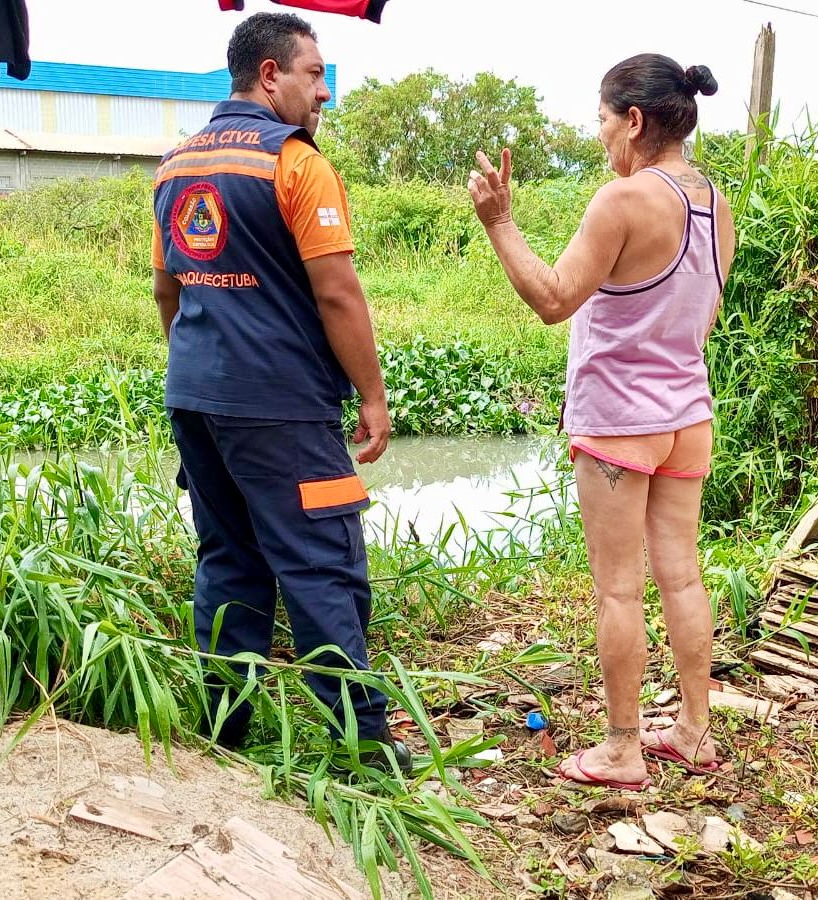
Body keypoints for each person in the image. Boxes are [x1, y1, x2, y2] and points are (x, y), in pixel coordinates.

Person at [468, 54, 736, 789]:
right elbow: (700, 315)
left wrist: (499, 223)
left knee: (619, 589)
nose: (599, 135)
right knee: (681, 578)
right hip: (687, 413)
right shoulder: (715, 200)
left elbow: (554, 298)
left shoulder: (620, 200)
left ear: (635, 121)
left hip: (621, 422)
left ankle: (620, 750)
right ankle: (692, 732)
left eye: (601, 119)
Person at [151, 11, 407, 771]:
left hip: (194, 396)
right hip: (281, 404)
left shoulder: (174, 164)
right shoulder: (294, 161)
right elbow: (338, 293)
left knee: (227, 560)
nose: (321, 90)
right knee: (320, 564)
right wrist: (372, 393)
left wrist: (201, 365)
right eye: (313, 73)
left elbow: (167, 291)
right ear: (271, 75)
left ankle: (225, 738)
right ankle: (367, 753)